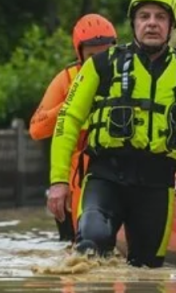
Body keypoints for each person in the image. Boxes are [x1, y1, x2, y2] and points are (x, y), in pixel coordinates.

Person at [47, 0, 176, 267]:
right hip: (105, 178)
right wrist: (59, 181)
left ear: (172, 25)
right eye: (144, 16)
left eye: (160, 17)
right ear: (133, 23)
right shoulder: (101, 66)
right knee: (91, 246)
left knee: (148, 272)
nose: (152, 23)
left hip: (157, 186)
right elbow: (68, 120)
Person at [29, 13, 117, 242]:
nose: (98, 63)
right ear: (80, 54)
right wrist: (72, 104)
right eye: (91, 56)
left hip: (112, 174)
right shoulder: (66, 79)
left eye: (105, 55)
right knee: (71, 246)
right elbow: (37, 129)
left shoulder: (125, 77)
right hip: (73, 180)